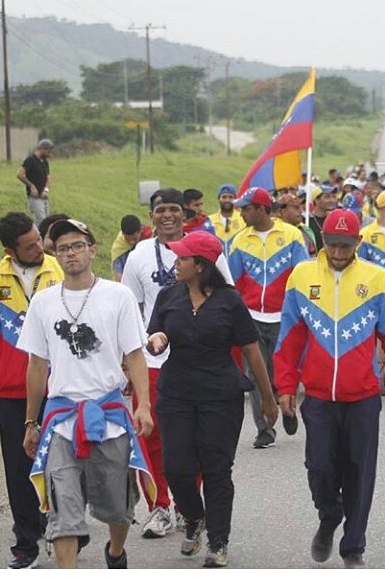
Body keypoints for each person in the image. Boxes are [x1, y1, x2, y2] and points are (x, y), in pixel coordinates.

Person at [274, 209, 385, 569]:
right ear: (322, 241)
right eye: (332, 245)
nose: (338, 252)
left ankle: (353, 546)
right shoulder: (301, 277)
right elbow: (289, 338)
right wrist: (285, 386)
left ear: (359, 242)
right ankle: (329, 516)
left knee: (359, 470)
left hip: (363, 396)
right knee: (319, 466)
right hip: (318, 396)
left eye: (345, 246)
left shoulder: (377, 278)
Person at [18, 218, 155, 569]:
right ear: (55, 254)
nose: (71, 253)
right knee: (63, 515)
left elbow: (135, 355)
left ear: (92, 249)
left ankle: (115, 551)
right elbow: (37, 366)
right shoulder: (44, 303)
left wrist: (144, 406)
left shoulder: (118, 296)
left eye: (78, 245)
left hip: (109, 415)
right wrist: (31, 421)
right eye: (63, 248)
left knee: (117, 507)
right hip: (61, 420)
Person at [147, 231, 278, 568]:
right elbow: (154, 335)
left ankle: (218, 542)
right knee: (177, 469)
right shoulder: (168, 297)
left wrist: (268, 398)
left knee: (217, 470)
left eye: (182, 258)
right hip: (175, 394)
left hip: (220, 396)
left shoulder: (229, 301)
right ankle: (194, 517)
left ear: (201, 266)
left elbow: (251, 350)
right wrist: (156, 340)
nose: (176, 262)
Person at [121, 188, 233, 538]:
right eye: (160, 210)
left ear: (184, 215)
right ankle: (159, 507)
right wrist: (128, 359)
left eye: (173, 209)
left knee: (195, 441)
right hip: (151, 363)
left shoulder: (207, 248)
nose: (167, 215)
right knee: (150, 438)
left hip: (197, 362)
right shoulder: (138, 256)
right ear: (151, 215)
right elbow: (128, 310)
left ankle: (190, 508)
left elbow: (226, 298)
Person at [0, 212, 63, 569]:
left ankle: (63, 525)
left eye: (39, 239)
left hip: (59, 387)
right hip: (12, 390)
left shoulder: (57, 268)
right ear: (11, 250)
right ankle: (27, 542)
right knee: (19, 469)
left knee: (60, 463)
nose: (39, 247)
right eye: (29, 245)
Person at [229, 187, 308, 448]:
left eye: (246, 208)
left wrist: (300, 311)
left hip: (285, 318)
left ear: (262, 209)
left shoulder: (292, 236)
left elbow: (303, 277)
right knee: (255, 375)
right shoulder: (240, 241)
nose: (241, 213)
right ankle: (264, 427)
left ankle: (287, 405)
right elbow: (233, 283)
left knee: (283, 371)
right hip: (252, 318)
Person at [17, 139, 54, 226]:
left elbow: (48, 178)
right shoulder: (30, 160)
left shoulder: (45, 162)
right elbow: (20, 174)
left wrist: (46, 190)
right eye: (48, 152)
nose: (49, 154)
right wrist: (31, 186)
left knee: (46, 221)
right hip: (35, 197)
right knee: (41, 219)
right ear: (42, 149)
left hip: (43, 196)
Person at [110, 215, 153, 281]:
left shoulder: (150, 239)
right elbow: (118, 274)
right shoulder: (119, 246)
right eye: (127, 239)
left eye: (134, 239)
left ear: (141, 230)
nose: (131, 243)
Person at [209, 183, 245, 257]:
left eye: (230, 197)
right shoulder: (210, 220)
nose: (227, 200)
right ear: (219, 199)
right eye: (224, 197)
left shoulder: (243, 219)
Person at [308, 184, 338, 250]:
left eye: (333, 197)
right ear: (316, 200)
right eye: (327, 197)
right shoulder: (307, 221)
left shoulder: (335, 219)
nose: (332, 200)